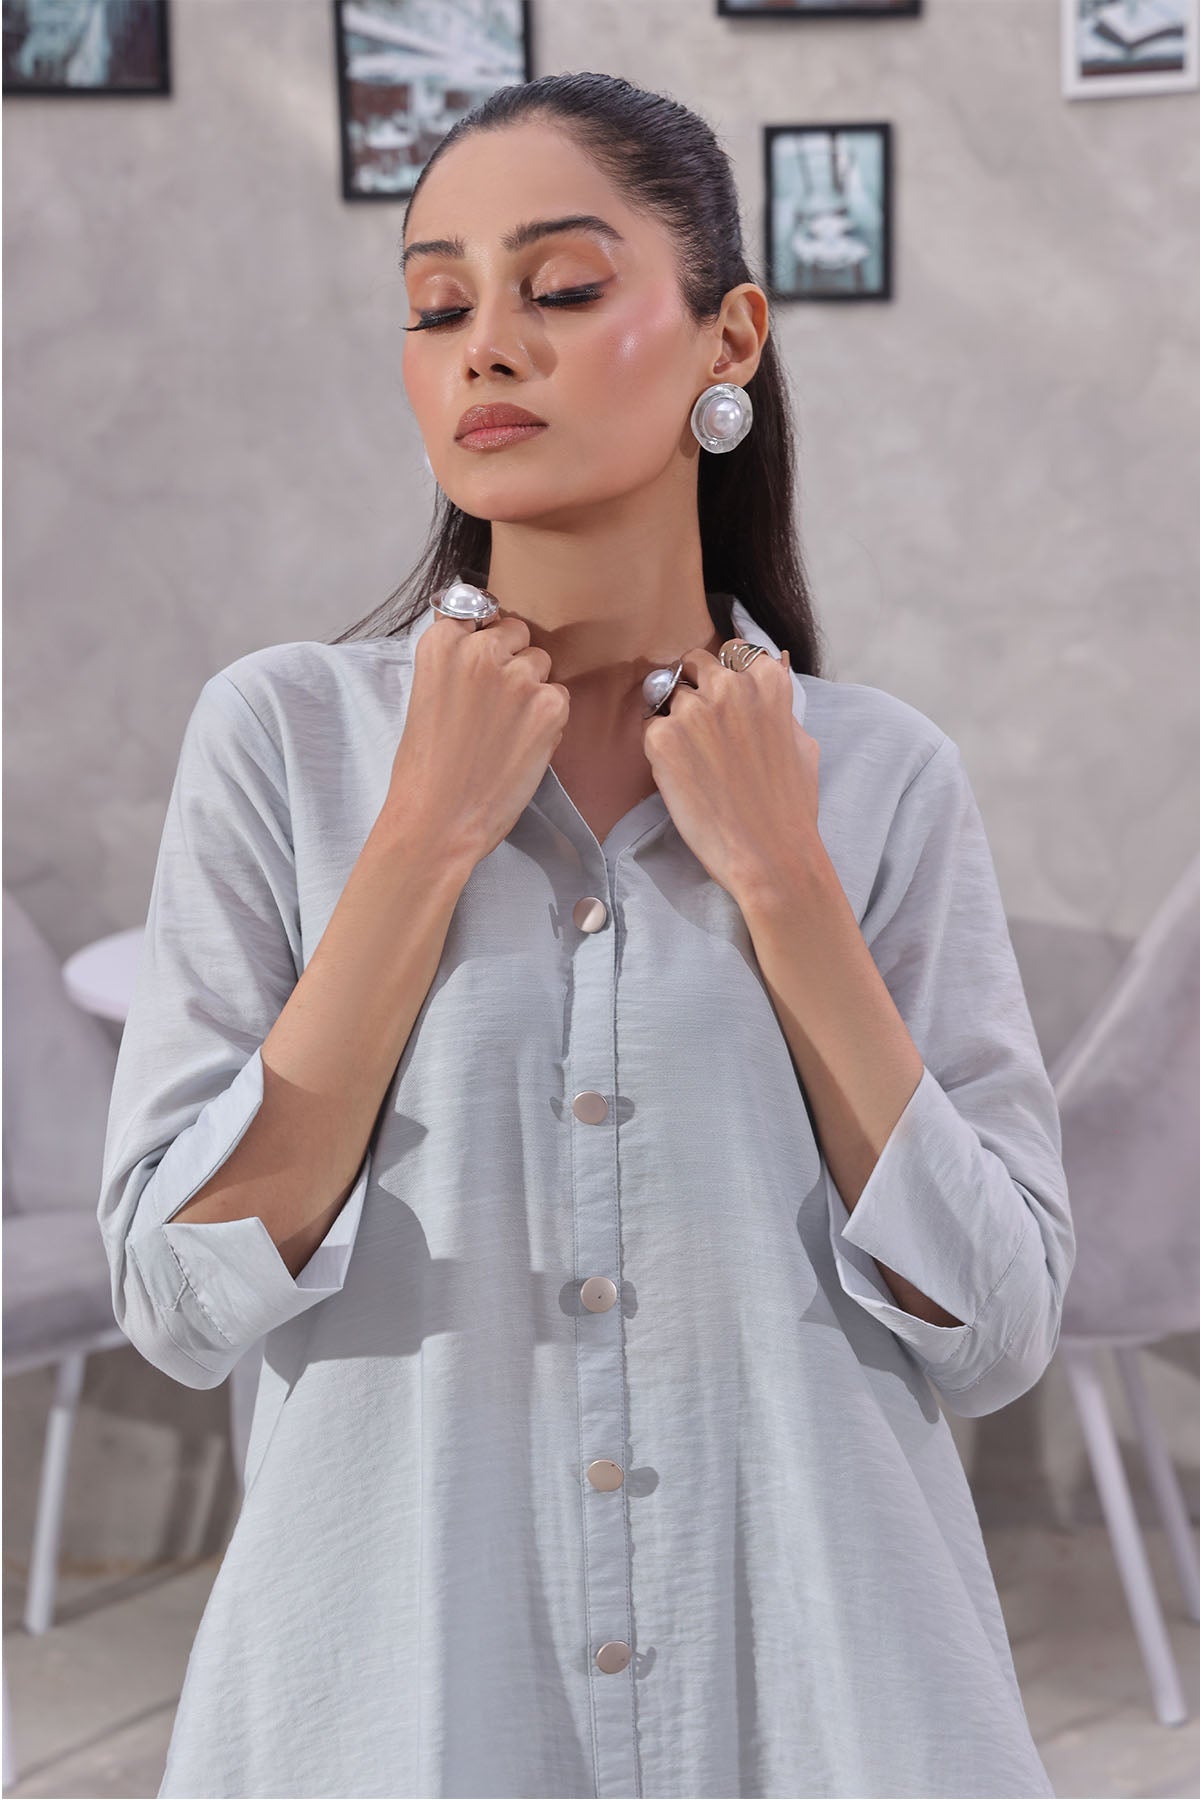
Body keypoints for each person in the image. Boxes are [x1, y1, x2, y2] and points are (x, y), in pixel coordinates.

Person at [97, 69, 1074, 1800]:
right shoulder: (284, 744)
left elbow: (996, 1332)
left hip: (824, 1717)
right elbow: (178, 1301)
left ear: (729, 338)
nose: (487, 346)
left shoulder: (881, 781)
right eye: (437, 306)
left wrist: (785, 885)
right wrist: (423, 836)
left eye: (557, 288)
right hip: (395, 1723)